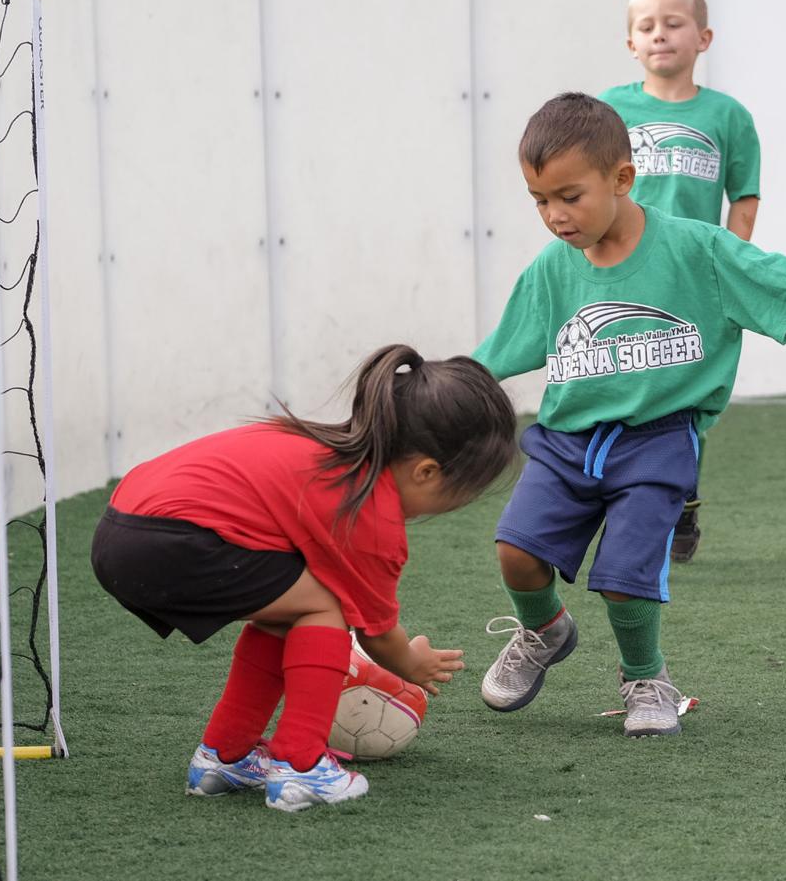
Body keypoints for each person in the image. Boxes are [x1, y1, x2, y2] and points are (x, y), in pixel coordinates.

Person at [473, 92, 786, 738]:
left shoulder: (695, 248)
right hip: (566, 440)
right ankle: (544, 631)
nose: (554, 215)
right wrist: (440, 383)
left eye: (569, 196)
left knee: (626, 578)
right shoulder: (552, 269)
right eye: (539, 200)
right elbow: (495, 353)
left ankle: (645, 675)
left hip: (658, 443)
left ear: (622, 179)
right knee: (515, 551)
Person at [90, 345, 516, 811]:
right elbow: (376, 635)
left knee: (291, 608)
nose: (454, 508)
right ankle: (301, 765)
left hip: (120, 526)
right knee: (329, 607)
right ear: (426, 471)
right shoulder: (370, 514)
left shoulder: (321, 447)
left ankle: (223, 757)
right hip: (173, 539)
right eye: (460, 495)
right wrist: (411, 665)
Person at [599, 0, 762, 563]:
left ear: (704, 37)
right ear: (630, 44)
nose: (660, 35)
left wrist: (732, 262)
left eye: (673, 23)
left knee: (685, 394)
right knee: (618, 381)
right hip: (619, 270)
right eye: (646, 27)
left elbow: (744, 197)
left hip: (694, 276)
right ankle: (622, 493)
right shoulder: (610, 110)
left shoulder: (728, 115)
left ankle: (681, 497)